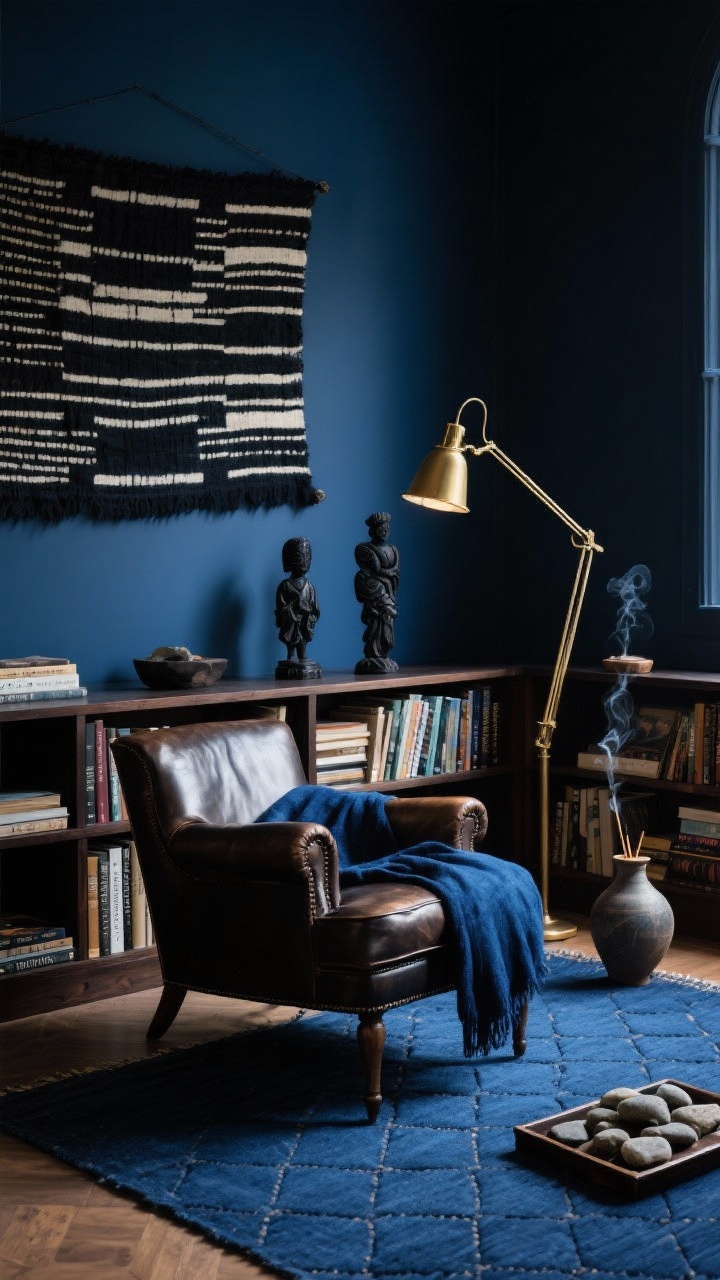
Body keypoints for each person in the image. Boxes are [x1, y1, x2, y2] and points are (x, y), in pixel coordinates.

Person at [354, 512, 399, 673]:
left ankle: (383, 654)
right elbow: (375, 569)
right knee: (376, 623)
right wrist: (384, 576)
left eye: (387, 528)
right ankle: (374, 654)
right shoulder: (364, 549)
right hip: (375, 592)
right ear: (373, 530)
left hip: (388, 592)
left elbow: (394, 571)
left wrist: (387, 576)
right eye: (381, 528)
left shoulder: (393, 549)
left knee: (388, 622)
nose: (384, 531)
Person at [275, 536, 321, 678]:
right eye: (297, 557)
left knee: (303, 639)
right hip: (292, 619)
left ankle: (303, 655)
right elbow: (281, 604)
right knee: (292, 638)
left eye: (306, 557)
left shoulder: (310, 586)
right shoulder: (285, 585)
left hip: (305, 619)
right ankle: (290, 656)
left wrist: (312, 615)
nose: (302, 561)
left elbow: (315, 605)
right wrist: (288, 613)